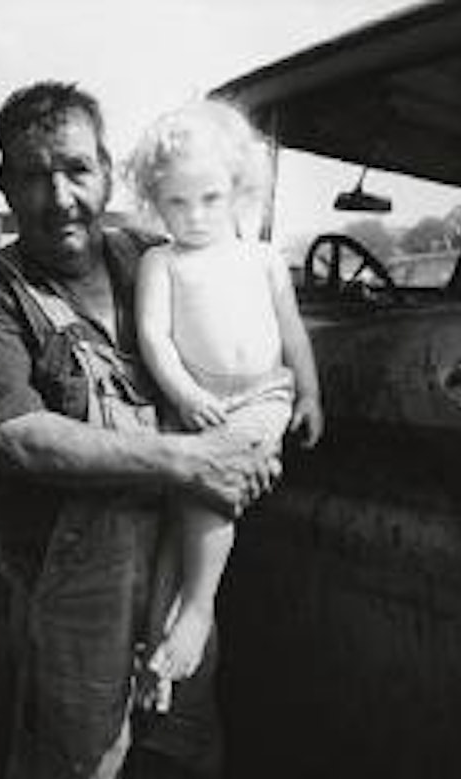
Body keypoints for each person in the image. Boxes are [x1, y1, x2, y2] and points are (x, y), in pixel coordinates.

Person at [0, 81, 280, 779]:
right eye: (33, 176)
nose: (59, 197)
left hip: (173, 545)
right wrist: (189, 461)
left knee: (182, 752)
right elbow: (22, 440)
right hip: (71, 559)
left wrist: (256, 425)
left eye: (77, 169)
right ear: (5, 187)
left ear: (107, 173)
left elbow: (242, 327)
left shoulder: (148, 254)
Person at [128, 100, 323, 710]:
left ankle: (197, 610)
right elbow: (154, 337)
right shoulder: (162, 262)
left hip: (264, 395)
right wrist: (184, 394)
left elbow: (293, 335)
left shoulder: (262, 258)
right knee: (181, 511)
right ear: (156, 204)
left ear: (238, 190)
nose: (194, 216)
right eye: (176, 204)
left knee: (207, 490)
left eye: (209, 198)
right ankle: (158, 655)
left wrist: (312, 393)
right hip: (198, 400)